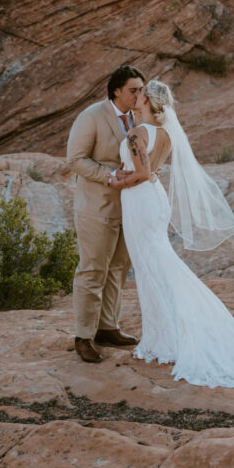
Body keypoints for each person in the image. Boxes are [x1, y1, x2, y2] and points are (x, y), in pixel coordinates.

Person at [115, 78, 234, 388]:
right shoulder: (166, 134)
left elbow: (141, 173)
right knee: (155, 265)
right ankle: (164, 338)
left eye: (141, 93)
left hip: (140, 200)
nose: (137, 95)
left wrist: (115, 182)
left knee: (152, 267)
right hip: (154, 197)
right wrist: (126, 174)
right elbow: (150, 171)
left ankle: (168, 339)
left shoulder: (136, 133)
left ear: (147, 102)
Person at [66, 64, 145, 363]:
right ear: (116, 91)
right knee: (92, 270)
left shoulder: (139, 117)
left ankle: (107, 327)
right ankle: (83, 336)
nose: (139, 95)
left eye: (141, 90)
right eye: (133, 90)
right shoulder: (91, 116)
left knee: (118, 269)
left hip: (131, 207)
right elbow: (75, 159)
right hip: (97, 206)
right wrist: (111, 175)